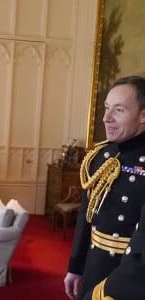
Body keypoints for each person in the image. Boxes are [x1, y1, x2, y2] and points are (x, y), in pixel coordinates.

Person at [64, 75, 145, 299]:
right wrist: (75, 267)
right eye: (107, 108)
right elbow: (86, 217)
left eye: (118, 110)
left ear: (143, 115)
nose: (106, 118)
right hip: (94, 267)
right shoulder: (101, 156)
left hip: (130, 281)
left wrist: (103, 293)